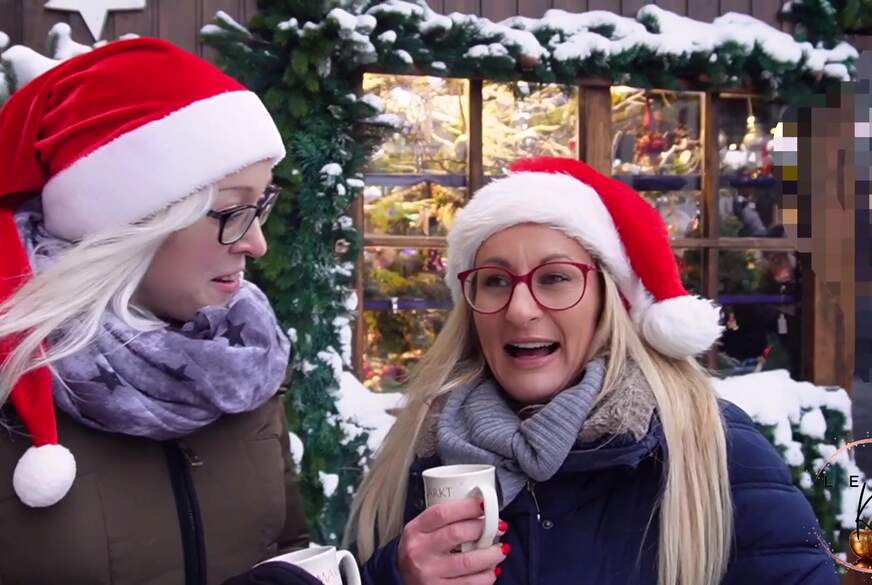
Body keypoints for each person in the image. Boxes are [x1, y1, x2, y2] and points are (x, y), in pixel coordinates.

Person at [347, 157, 837, 585]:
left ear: (609, 299)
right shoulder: (419, 451)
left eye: (555, 278)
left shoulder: (712, 446)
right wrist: (392, 577)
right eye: (495, 280)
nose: (519, 309)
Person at [0, 38, 319, 585]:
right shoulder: (15, 388)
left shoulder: (242, 357)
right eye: (232, 210)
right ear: (129, 223)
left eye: (262, 205)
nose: (257, 244)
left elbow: (285, 545)